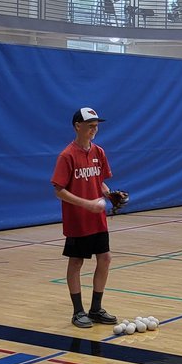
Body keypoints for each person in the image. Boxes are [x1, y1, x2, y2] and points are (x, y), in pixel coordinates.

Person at [52, 107, 119, 329]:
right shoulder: (67, 155)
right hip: (78, 220)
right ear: (77, 126)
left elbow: (98, 182)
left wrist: (110, 194)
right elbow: (59, 189)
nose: (94, 129)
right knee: (77, 262)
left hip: (97, 219)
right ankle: (78, 311)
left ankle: (96, 309)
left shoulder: (98, 152)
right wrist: (86, 204)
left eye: (96, 125)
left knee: (105, 258)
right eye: (90, 125)